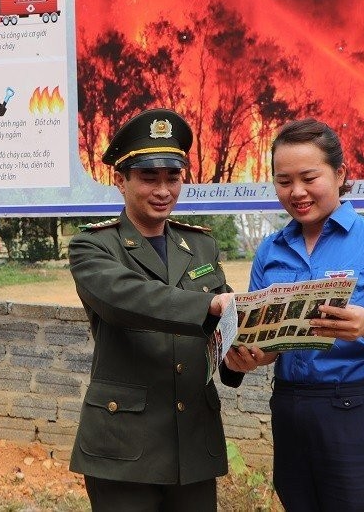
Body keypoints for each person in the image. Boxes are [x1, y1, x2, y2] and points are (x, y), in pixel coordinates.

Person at [225, 118, 364, 512]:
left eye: (309, 177)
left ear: (340, 174)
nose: (297, 192)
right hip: (291, 411)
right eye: (284, 181)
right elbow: (269, 344)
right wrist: (251, 355)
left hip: (361, 413)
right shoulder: (270, 251)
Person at [67, 108, 242, 511]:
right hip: (123, 446)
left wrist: (239, 357)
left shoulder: (199, 245)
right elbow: (126, 299)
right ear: (121, 180)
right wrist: (212, 303)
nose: (163, 190)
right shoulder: (93, 247)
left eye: (173, 177)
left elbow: (221, 329)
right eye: (149, 177)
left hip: (193, 442)